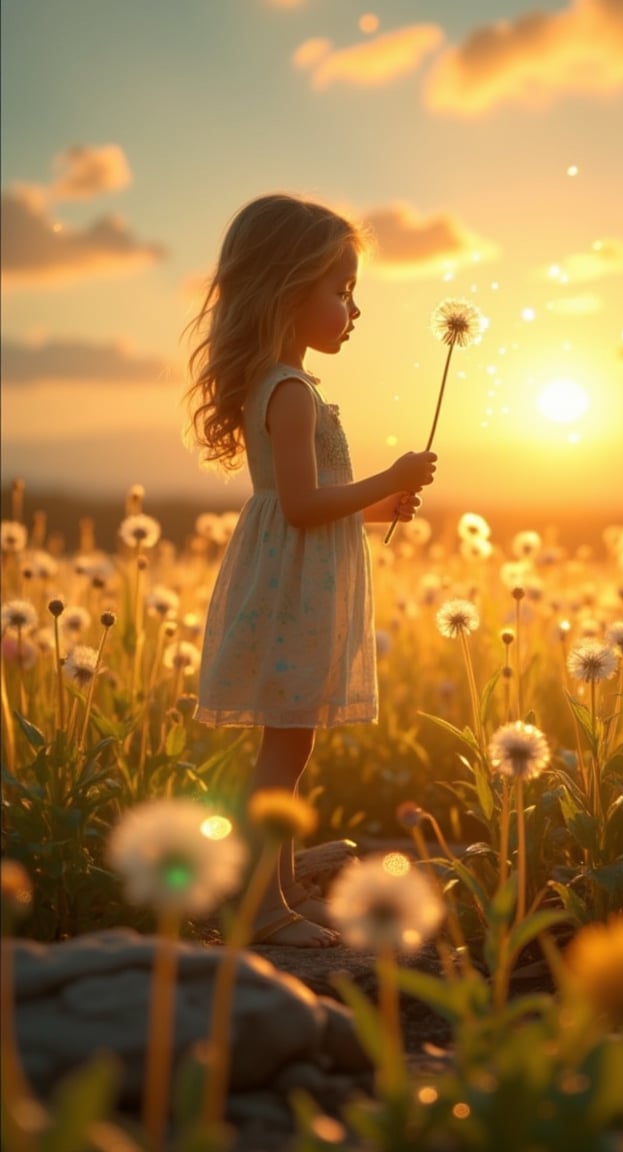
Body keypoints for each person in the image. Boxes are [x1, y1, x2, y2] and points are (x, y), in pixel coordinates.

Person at [185, 193, 437, 947]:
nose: (352, 309)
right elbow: (298, 507)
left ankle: (284, 880)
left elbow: (307, 504)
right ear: (285, 290)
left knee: (288, 742)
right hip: (294, 592)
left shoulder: (285, 384)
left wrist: (374, 509)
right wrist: (387, 477)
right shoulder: (290, 392)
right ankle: (262, 905)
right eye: (340, 290)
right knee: (286, 746)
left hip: (292, 578)